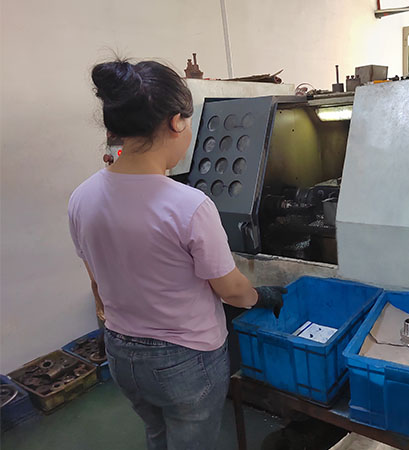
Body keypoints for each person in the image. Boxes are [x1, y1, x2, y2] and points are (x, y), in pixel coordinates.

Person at [68, 59, 287, 450]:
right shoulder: (189, 205)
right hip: (184, 360)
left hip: (121, 351)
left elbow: (96, 279)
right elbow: (231, 291)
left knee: (157, 432)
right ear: (176, 123)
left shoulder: (82, 197)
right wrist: (262, 296)